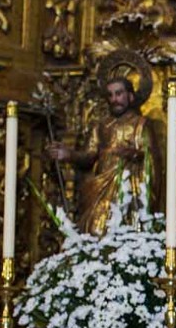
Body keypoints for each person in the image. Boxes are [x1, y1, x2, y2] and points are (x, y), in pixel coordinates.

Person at [47, 76, 163, 236]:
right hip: (101, 185)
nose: (114, 99)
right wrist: (68, 154)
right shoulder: (101, 126)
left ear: (130, 96)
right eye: (110, 95)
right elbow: (89, 156)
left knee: (122, 228)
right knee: (95, 228)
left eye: (119, 93)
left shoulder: (141, 124)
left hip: (128, 187)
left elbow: (152, 158)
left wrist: (133, 154)